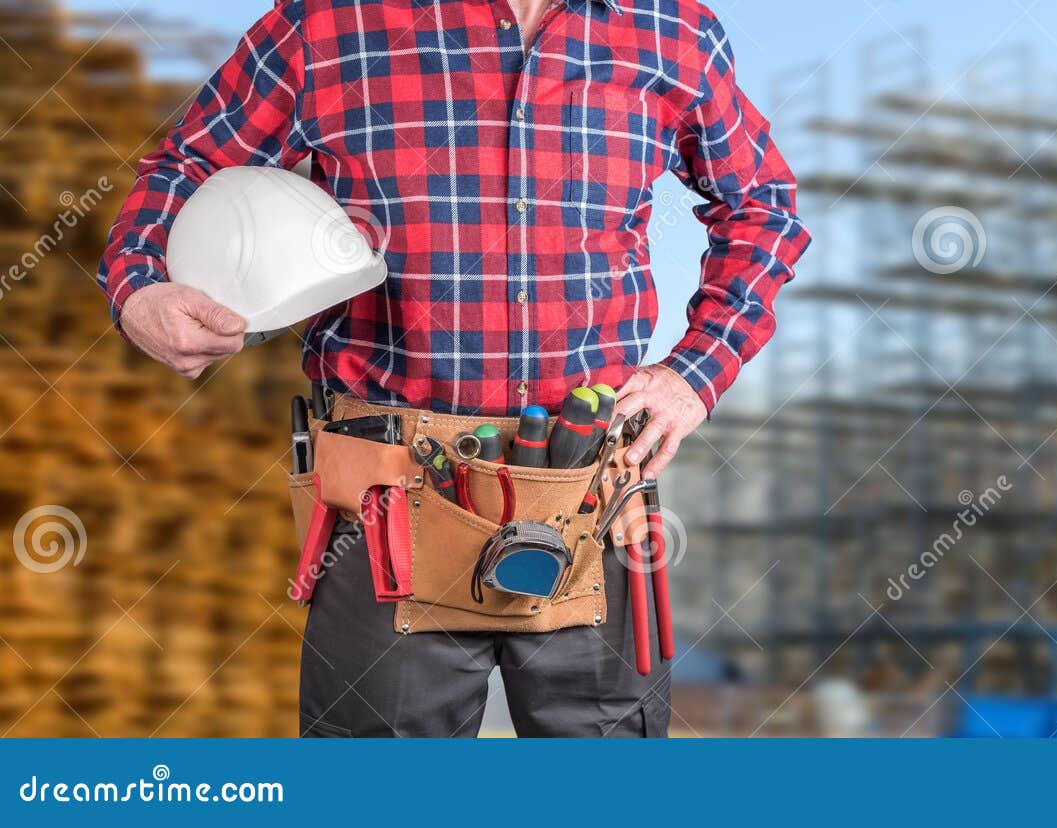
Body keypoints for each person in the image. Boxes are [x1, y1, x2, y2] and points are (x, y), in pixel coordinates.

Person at [95, 0, 809, 737]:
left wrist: (695, 371)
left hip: (591, 500)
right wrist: (140, 285)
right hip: (385, 509)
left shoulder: (670, 28)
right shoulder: (328, 21)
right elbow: (186, 164)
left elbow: (763, 206)